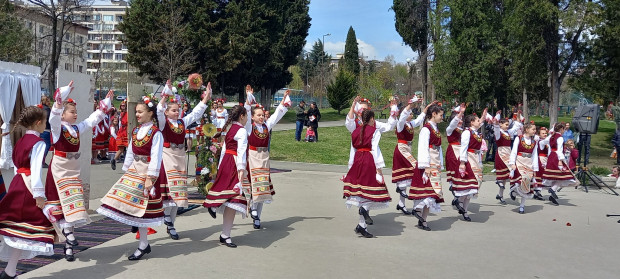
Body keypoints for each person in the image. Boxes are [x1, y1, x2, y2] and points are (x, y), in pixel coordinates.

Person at [46, 84, 111, 261]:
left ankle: (69, 247)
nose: (75, 114)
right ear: (63, 114)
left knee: (73, 206)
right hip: (59, 169)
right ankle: (68, 238)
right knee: (62, 207)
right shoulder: (57, 128)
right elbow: (53, 116)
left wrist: (104, 106)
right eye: (71, 112)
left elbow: (91, 121)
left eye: (75, 112)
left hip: (73, 170)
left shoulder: (76, 129)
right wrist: (59, 100)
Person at [97, 95, 166, 260]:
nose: (137, 114)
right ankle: (143, 242)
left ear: (151, 113)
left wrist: (151, 177)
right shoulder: (135, 130)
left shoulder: (156, 133)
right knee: (123, 201)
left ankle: (143, 244)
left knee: (141, 210)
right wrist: (126, 168)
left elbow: (156, 156)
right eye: (136, 112)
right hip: (135, 171)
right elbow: (131, 151)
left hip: (146, 172)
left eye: (141, 112)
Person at [0, 106, 55, 279]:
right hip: (29, 185)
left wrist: (18, 185)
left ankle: (10, 271)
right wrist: (39, 195)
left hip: (18, 183)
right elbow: (36, 170)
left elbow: (17, 168)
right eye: (45, 122)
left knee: (18, 230)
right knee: (29, 226)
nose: (46, 125)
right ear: (38, 123)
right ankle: (9, 271)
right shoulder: (38, 143)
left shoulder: (21, 141)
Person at [156, 80, 211, 239]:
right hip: (168, 156)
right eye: (173, 110)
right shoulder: (163, 123)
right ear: (167, 112)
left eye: (178, 109)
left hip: (180, 157)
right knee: (170, 191)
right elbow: (159, 111)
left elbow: (196, 114)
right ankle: (167, 218)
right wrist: (164, 97)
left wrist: (205, 99)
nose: (176, 112)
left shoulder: (182, 122)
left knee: (179, 193)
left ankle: (171, 224)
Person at [242, 87, 289, 229]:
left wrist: (282, 102)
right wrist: (248, 98)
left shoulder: (266, 126)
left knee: (263, 188)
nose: (261, 117)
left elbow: (276, 116)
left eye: (262, 115)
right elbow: (246, 111)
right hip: (253, 158)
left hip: (264, 158)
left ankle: (257, 217)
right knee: (255, 186)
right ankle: (253, 209)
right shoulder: (250, 127)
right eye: (258, 115)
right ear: (253, 117)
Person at [203, 105, 249, 248]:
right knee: (234, 198)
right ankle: (214, 207)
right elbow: (241, 152)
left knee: (230, 198)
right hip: (234, 164)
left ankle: (225, 233)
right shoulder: (241, 131)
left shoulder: (230, 130)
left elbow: (224, 150)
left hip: (226, 163)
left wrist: (220, 166)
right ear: (242, 116)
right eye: (246, 116)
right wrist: (241, 173)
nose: (247, 119)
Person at [342, 103, 390, 238]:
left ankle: (361, 226)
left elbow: (355, 147)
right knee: (373, 191)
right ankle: (363, 212)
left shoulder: (355, 131)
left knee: (361, 191)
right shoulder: (374, 131)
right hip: (368, 160)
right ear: (372, 119)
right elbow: (374, 149)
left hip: (358, 160)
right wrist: (379, 168)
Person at [409, 103, 444, 231]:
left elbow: (438, 148)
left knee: (433, 193)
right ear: (433, 114)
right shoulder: (426, 129)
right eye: (440, 115)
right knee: (429, 192)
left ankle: (423, 220)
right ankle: (417, 210)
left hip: (435, 163)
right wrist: (425, 166)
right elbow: (422, 147)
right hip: (428, 164)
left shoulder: (435, 129)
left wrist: (440, 162)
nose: (442, 117)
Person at [391, 98, 428, 215]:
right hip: (402, 148)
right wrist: (409, 106)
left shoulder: (410, 124)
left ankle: (401, 204)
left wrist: (426, 110)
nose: (411, 114)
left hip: (408, 148)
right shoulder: (401, 124)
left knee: (406, 175)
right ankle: (400, 189)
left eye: (411, 113)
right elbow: (402, 117)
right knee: (415, 167)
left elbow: (418, 121)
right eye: (410, 112)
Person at [452, 109, 488, 221]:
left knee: (475, 184)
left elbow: (480, 124)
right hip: (469, 158)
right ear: (471, 122)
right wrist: (462, 163)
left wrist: (483, 116)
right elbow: (463, 147)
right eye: (477, 120)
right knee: (471, 184)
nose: (479, 122)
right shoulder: (467, 132)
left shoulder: (476, 133)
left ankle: (463, 208)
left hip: (476, 159)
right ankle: (460, 204)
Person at [542, 123, 578, 205]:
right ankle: (553, 189)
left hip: (551, 156)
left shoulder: (552, 136)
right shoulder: (560, 138)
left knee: (556, 176)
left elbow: (543, 142)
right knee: (564, 175)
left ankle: (553, 192)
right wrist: (560, 160)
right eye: (564, 129)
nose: (564, 131)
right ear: (561, 129)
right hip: (557, 157)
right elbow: (559, 150)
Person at [508, 123, 539, 214]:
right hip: (519, 161)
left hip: (528, 163)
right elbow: (514, 151)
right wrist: (512, 163)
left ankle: (522, 205)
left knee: (526, 184)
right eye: (533, 129)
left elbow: (534, 155)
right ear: (526, 129)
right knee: (520, 180)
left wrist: (535, 168)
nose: (534, 131)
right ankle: (513, 191)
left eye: (534, 129)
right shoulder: (519, 138)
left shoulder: (534, 142)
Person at [492, 113, 522, 205]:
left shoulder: (508, 132)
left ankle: (501, 194)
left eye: (508, 124)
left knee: (508, 175)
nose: (507, 126)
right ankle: (507, 187)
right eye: (506, 124)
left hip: (508, 153)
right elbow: (496, 130)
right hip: (501, 153)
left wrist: (518, 119)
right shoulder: (499, 133)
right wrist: (496, 124)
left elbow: (516, 127)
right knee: (505, 173)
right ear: (501, 124)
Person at [445, 104, 466, 198]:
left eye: (461, 119)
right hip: (453, 151)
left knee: (461, 172)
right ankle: (454, 190)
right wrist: (460, 113)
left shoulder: (462, 130)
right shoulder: (450, 129)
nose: (461, 121)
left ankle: (457, 195)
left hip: (460, 151)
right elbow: (453, 123)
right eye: (460, 119)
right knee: (455, 171)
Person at [533, 127, 551, 200]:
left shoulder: (545, 141)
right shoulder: (541, 142)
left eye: (545, 133)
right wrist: (552, 133)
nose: (545, 134)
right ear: (539, 134)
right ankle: (537, 191)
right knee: (541, 175)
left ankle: (538, 190)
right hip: (541, 159)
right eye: (543, 133)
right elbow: (546, 141)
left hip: (546, 159)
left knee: (543, 175)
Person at [111, 100, 128, 170]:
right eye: (122, 105)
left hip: (123, 130)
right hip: (125, 130)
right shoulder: (123, 113)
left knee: (122, 149)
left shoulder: (121, 113)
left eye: (124, 105)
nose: (123, 106)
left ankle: (114, 160)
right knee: (123, 148)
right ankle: (115, 160)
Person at [40, 95, 52, 168]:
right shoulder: (47, 109)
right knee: (47, 145)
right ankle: (42, 161)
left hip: (41, 129)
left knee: (42, 145)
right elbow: (49, 118)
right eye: (48, 101)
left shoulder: (40, 108)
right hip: (46, 129)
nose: (49, 102)